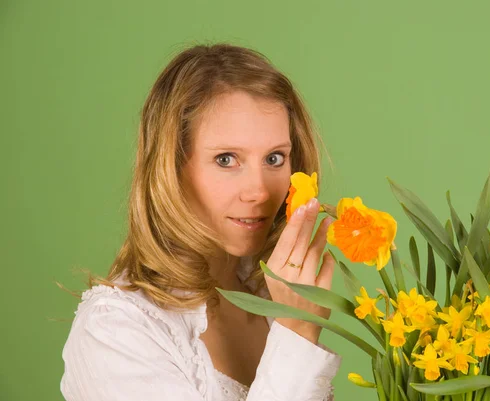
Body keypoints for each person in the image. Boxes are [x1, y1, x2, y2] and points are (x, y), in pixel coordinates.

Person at [60, 43, 342, 401]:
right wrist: (298, 331)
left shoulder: (269, 291)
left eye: (274, 158)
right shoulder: (116, 330)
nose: (259, 191)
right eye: (226, 159)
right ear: (170, 168)